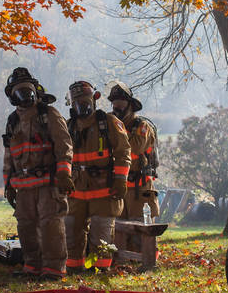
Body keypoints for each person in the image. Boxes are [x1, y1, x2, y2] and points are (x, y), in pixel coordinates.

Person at [1, 67, 73, 279]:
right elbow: (9, 155)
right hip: (23, 186)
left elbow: (64, 145)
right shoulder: (13, 121)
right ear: (12, 96)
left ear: (35, 91)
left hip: (48, 183)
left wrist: (64, 174)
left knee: (51, 225)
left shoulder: (48, 115)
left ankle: (53, 269)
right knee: (26, 227)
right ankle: (32, 267)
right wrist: (8, 184)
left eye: (27, 90)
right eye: (19, 92)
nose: (24, 96)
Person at [64, 80, 131, 272]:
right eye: (77, 102)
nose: (82, 106)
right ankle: (74, 269)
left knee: (101, 235)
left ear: (94, 100)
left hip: (104, 190)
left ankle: (99, 270)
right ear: (71, 104)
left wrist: (120, 179)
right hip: (75, 192)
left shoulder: (108, 123)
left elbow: (123, 152)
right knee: (71, 233)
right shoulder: (68, 127)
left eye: (85, 101)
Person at [106, 81, 160, 221]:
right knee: (119, 233)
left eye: (121, 102)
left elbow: (133, 149)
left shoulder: (143, 127)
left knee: (141, 234)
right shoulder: (109, 126)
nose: (117, 106)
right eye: (114, 102)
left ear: (130, 105)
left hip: (140, 190)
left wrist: (117, 129)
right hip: (117, 188)